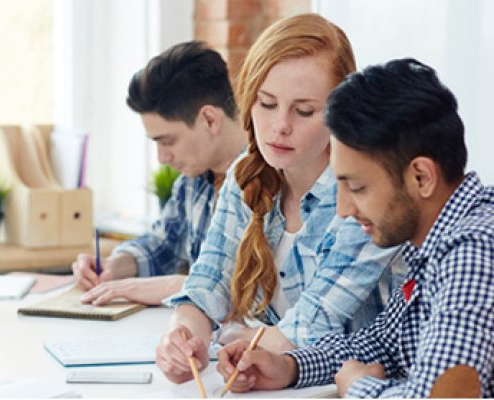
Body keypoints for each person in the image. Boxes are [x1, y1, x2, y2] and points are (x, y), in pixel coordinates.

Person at [216, 58, 494, 398]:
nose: (344, 210)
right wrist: (289, 367)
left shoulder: (474, 249)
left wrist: (358, 388)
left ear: (421, 177)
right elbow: (385, 344)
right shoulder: (427, 242)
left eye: (357, 187)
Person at [158, 14, 404, 384]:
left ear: (341, 113)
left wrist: (242, 347)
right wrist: (183, 337)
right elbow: (207, 281)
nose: (279, 126)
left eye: (304, 111)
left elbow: (311, 325)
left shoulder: (365, 192)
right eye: (267, 103)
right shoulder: (247, 173)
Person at [72, 41, 246, 305]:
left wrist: (171, 286)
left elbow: (249, 291)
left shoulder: (270, 180)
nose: (162, 158)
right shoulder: (194, 179)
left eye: (168, 141)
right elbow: (163, 244)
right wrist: (115, 265)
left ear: (210, 119)